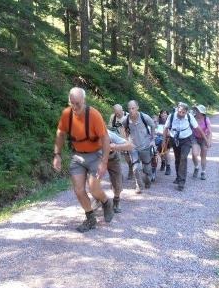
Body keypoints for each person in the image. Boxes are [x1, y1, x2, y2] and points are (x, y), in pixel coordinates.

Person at [53, 87, 114, 232]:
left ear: (84, 101)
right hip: (78, 156)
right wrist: (57, 155)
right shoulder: (67, 114)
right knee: (79, 190)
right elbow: (60, 134)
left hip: (95, 155)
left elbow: (105, 138)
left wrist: (104, 162)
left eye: (78, 104)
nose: (74, 107)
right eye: (72, 103)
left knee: (94, 189)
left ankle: (106, 202)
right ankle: (90, 218)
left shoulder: (94, 115)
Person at [163, 102, 209, 191]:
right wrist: (164, 142)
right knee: (177, 159)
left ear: (186, 112)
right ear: (177, 109)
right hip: (175, 139)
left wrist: (206, 140)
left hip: (186, 139)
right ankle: (178, 177)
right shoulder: (172, 116)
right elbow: (165, 128)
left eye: (183, 113)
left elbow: (198, 128)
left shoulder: (189, 117)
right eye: (180, 112)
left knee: (183, 158)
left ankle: (181, 182)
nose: (181, 114)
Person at [122, 100, 156, 193]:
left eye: (133, 108)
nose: (131, 110)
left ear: (137, 107)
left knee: (147, 169)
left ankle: (147, 179)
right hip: (133, 147)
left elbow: (153, 125)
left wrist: (152, 140)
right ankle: (139, 186)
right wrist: (127, 141)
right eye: (129, 108)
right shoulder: (125, 119)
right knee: (135, 167)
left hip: (145, 146)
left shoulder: (144, 117)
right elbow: (124, 129)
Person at [109, 103, 134, 180]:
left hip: (126, 140)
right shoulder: (112, 117)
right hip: (116, 140)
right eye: (116, 113)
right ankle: (119, 175)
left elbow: (133, 128)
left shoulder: (128, 116)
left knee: (128, 158)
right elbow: (110, 128)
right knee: (117, 158)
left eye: (119, 112)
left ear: (122, 110)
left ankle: (130, 169)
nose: (118, 114)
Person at [191, 104, 212, 180]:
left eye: (198, 111)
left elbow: (210, 132)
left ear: (202, 112)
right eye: (196, 110)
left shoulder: (206, 119)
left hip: (204, 138)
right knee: (194, 154)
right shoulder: (193, 118)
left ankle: (203, 172)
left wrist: (208, 141)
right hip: (194, 137)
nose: (196, 112)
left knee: (203, 155)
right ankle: (196, 167)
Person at [155, 110, 171, 176]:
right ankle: (163, 162)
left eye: (165, 113)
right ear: (160, 114)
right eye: (162, 113)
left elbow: (170, 134)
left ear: (167, 115)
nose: (163, 114)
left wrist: (161, 134)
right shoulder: (157, 121)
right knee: (160, 152)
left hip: (167, 139)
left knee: (166, 152)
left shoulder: (170, 122)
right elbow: (153, 130)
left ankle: (168, 167)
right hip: (158, 139)